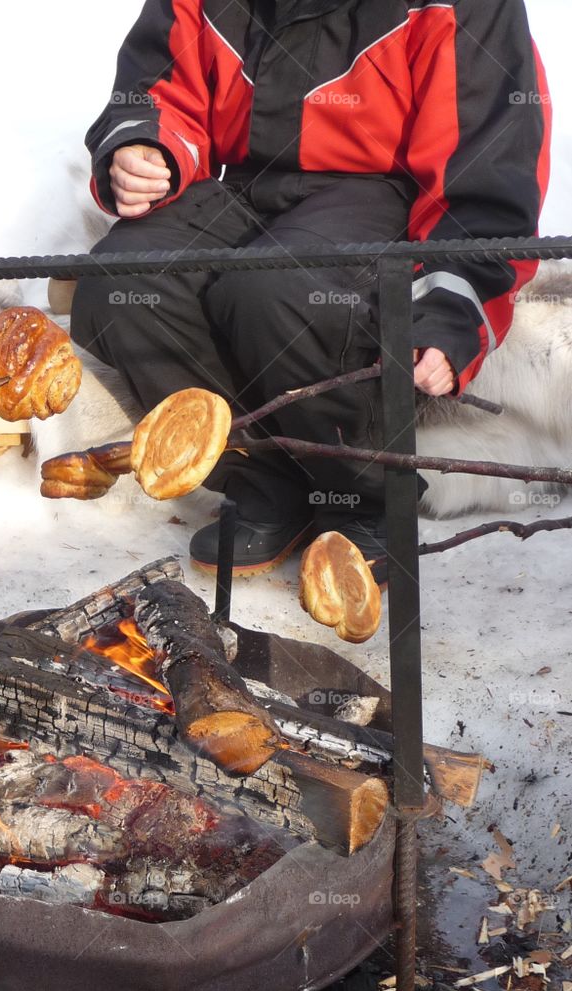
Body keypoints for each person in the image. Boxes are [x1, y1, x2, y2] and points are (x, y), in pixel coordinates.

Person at [71, 0, 551, 575]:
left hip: (380, 193)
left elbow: (489, 163)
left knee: (277, 291)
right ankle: (261, 479)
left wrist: (455, 308)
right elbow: (156, 89)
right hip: (243, 187)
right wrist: (145, 146)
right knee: (123, 284)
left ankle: (364, 495)